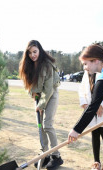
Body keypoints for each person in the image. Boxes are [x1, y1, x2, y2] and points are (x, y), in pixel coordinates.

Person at [19, 40, 63, 169]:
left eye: (35, 52)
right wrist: (32, 94)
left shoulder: (47, 65)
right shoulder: (28, 65)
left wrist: (41, 105)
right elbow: (28, 85)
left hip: (51, 95)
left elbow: (49, 89)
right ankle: (45, 153)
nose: (33, 55)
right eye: (30, 53)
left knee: (47, 125)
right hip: (38, 97)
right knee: (40, 127)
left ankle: (56, 156)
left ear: (40, 50)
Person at [78, 71, 103, 170]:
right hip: (90, 107)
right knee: (94, 133)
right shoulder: (86, 73)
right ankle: (96, 162)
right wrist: (84, 103)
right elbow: (82, 89)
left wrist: (100, 105)